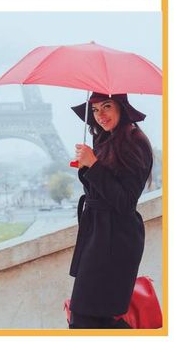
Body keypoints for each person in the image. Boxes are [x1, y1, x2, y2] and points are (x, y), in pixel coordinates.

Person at [68, 92, 153, 329]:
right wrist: (88, 163)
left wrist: (93, 164)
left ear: (121, 108)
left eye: (106, 107)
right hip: (99, 235)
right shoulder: (109, 138)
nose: (100, 115)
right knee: (94, 318)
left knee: (85, 318)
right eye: (94, 110)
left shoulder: (135, 141)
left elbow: (125, 201)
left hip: (114, 240)